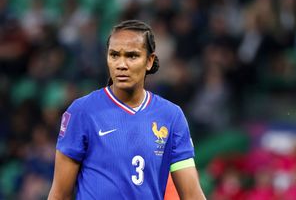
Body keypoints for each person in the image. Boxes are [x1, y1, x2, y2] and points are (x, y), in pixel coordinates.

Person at [48, 19, 206, 200]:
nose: (121, 65)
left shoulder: (171, 116)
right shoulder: (82, 111)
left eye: (132, 56)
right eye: (114, 55)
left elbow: (192, 194)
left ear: (149, 61)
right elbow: (60, 194)